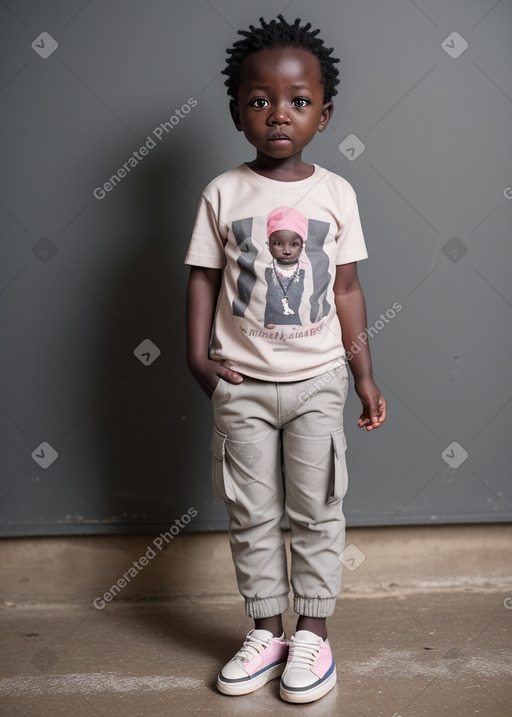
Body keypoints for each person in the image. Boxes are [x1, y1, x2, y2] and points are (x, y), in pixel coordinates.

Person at [185, 15, 387, 704]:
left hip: (318, 383)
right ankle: (266, 629)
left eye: (298, 101)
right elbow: (203, 279)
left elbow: (349, 289)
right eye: (261, 99)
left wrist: (363, 374)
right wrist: (199, 361)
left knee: (317, 510)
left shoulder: (336, 194)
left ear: (323, 114)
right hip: (241, 388)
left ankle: (313, 634)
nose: (279, 113)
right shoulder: (222, 192)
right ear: (238, 110)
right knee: (251, 513)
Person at [264, 206, 308, 328]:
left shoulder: (304, 272)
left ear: (302, 246)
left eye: (294, 244)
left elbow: (347, 291)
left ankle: (294, 320)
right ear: (269, 245)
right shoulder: (268, 270)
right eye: (278, 244)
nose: (287, 251)